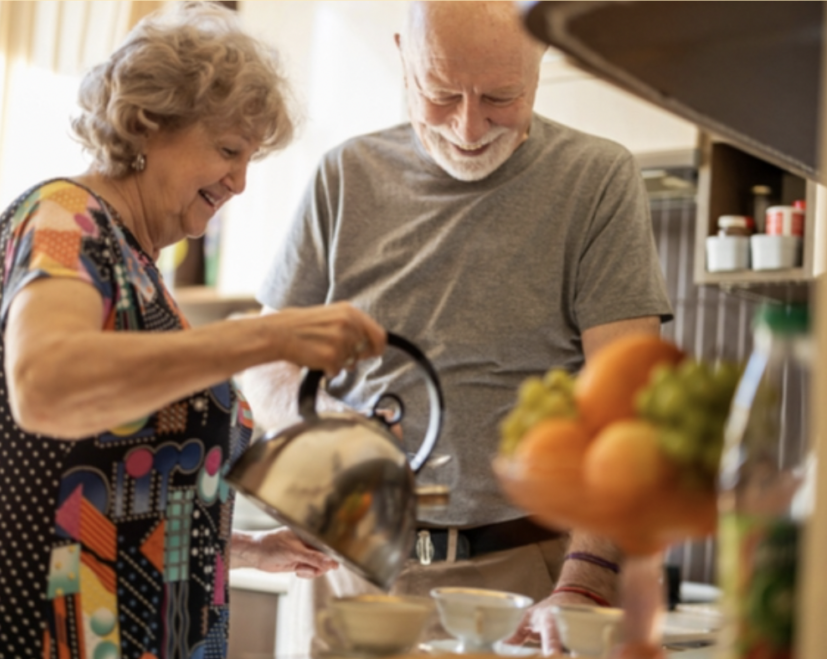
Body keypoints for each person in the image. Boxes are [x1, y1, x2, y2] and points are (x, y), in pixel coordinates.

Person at [0, 4, 388, 658]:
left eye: (251, 158)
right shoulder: (65, 219)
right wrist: (266, 337)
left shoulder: (138, 268)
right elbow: (46, 385)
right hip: (45, 636)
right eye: (228, 150)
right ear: (148, 123)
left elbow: (113, 488)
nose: (241, 181)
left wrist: (245, 547)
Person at [239, 1, 673, 655]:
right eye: (441, 95)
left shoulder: (596, 181)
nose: (469, 128)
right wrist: (336, 436)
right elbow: (268, 364)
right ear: (403, 56)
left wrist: (583, 580)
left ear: (541, 60)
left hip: (527, 577)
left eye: (501, 96)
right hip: (354, 570)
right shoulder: (345, 176)